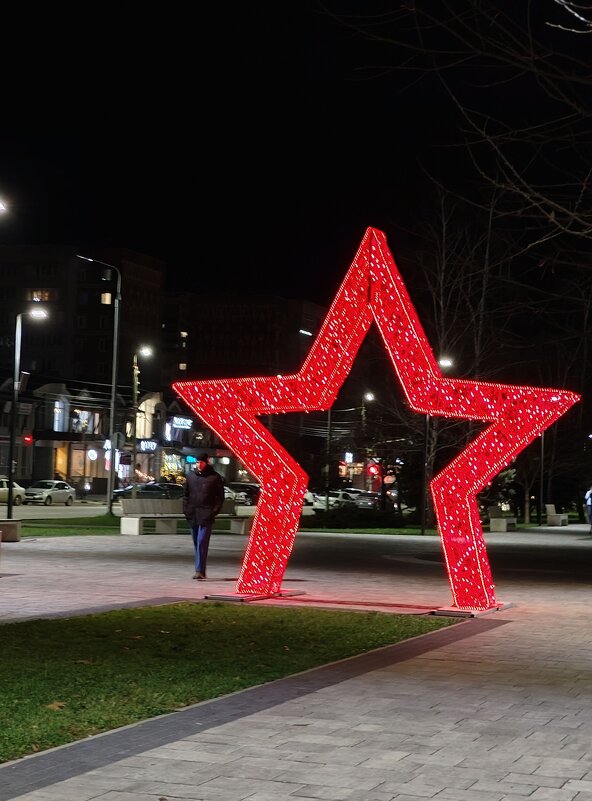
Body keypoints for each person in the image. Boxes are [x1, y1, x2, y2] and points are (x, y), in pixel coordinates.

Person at [183, 452, 225, 580]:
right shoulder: (190, 477)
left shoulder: (215, 478)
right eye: (197, 462)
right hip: (193, 514)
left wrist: (213, 512)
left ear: (207, 462)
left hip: (206, 514)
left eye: (201, 462)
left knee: (202, 542)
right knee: (197, 543)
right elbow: (186, 495)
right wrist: (186, 510)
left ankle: (199, 570)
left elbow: (220, 497)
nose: (199, 465)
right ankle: (201, 569)